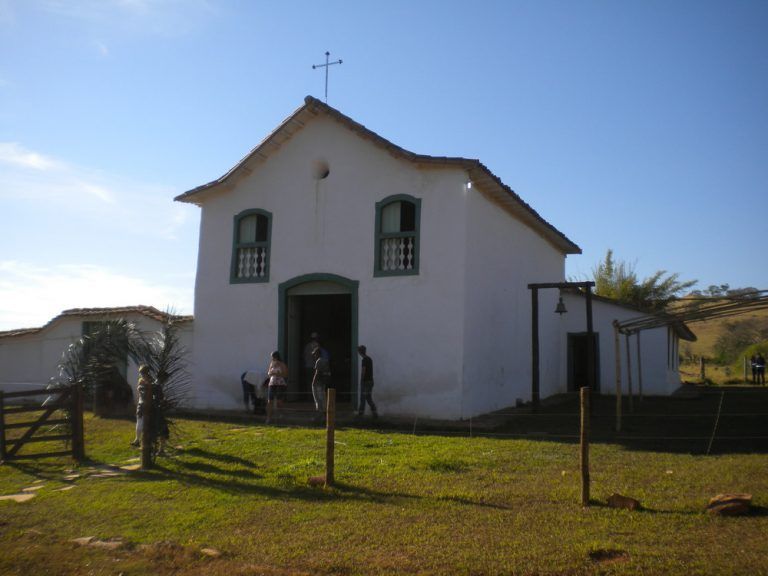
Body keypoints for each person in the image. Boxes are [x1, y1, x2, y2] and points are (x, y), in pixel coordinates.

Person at [130, 364, 151, 446]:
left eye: (143, 373)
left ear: (147, 373)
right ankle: (137, 439)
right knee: (139, 423)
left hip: (147, 405)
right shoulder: (140, 380)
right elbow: (139, 393)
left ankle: (146, 441)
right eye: (141, 373)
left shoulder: (150, 381)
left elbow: (150, 394)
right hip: (140, 404)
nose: (141, 374)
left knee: (146, 424)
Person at [266, 351, 288, 423]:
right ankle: (269, 418)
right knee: (270, 401)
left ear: (276, 357)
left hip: (280, 384)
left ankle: (282, 415)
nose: (272, 358)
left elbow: (285, 374)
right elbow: (269, 373)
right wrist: (271, 373)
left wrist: (277, 374)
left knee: (279, 401)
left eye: (272, 357)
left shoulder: (282, 364)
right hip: (272, 383)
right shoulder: (272, 364)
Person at [357, 345, 377, 418]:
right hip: (371, 381)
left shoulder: (364, 360)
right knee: (368, 398)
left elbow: (363, 370)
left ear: (360, 352)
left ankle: (360, 413)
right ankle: (374, 411)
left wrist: (361, 380)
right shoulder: (369, 359)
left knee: (363, 398)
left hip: (365, 382)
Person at [311, 346, 331, 416]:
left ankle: (321, 412)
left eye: (314, 354)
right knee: (322, 396)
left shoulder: (318, 361)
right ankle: (324, 410)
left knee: (318, 397)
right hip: (323, 382)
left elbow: (317, 372)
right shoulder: (325, 360)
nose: (314, 356)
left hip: (318, 382)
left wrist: (313, 382)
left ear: (317, 354)